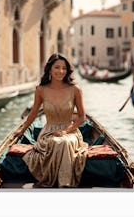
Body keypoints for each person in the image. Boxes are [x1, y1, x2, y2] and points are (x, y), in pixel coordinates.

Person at [14, 53, 88, 188]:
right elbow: (32, 114)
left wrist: (65, 131)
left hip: (70, 132)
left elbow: (82, 117)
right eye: (57, 67)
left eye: (64, 68)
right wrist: (22, 130)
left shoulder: (75, 89)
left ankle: (64, 185)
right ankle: (62, 184)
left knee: (64, 142)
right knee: (56, 142)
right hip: (48, 132)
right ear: (49, 69)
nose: (61, 71)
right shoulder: (41, 90)